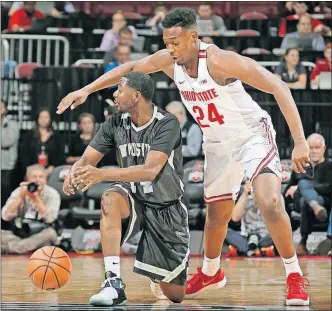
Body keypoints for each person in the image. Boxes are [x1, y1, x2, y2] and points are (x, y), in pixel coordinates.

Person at [57, 8, 311, 306]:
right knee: (216, 215)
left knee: (269, 201)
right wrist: (86, 90)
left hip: (251, 136)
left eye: (176, 42)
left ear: (194, 37)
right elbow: (130, 68)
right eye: (167, 42)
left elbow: (278, 86)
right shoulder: (169, 61)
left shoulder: (220, 61)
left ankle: (294, 275)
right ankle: (211, 272)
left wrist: (300, 142)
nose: (170, 49)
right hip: (216, 142)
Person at [62, 72, 190, 306]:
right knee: (109, 198)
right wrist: (75, 172)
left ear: (137, 96)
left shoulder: (167, 123)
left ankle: (157, 273)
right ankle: (113, 283)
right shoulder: (115, 122)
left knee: (175, 296)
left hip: (165, 206)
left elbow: (150, 170)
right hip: (132, 196)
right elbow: (89, 158)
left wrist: (101, 174)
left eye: (120, 90)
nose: (115, 94)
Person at [285, 133, 332, 255]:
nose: (314, 151)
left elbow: (328, 187)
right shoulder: (300, 166)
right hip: (301, 204)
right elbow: (288, 190)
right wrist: (296, 188)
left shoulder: (329, 166)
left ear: (324, 149)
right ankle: (315, 206)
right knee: (303, 189)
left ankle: (303, 242)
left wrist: (301, 186)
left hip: (323, 202)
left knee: (304, 189)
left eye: (317, 147)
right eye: (311, 147)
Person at [1, 164, 60, 254]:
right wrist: (20, 198)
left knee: (50, 234)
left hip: (40, 233)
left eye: (41, 177)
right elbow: (5, 216)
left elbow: (50, 219)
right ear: (27, 180)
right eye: (34, 177)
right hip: (20, 233)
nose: (37, 180)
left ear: (45, 180)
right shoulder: (19, 191)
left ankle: (10, 248)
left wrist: (36, 199)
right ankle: (20, 248)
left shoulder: (52, 194)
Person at [225, 180, 276, 257]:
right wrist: (245, 194)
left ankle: (244, 249)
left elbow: (276, 220)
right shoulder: (245, 198)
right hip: (245, 235)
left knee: (282, 231)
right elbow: (235, 218)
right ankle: (260, 249)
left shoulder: (275, 196)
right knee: (223, 230)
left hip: (266, 235)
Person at [20, 108, 65, 177]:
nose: (43, 120)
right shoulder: (28, 136)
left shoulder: (57, 136)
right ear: (37, 118)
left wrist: (53, 167)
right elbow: (24, 154)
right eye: (41, 117)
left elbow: (61, 155)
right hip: (32, 172)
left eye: (46, 117)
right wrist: (31, 168)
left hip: (52, 172)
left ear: (50, 119)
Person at [1, 100, 20, 208]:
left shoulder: (11, 124)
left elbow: (7, 141)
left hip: (6, 165)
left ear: (5, 110)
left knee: (5, 193)